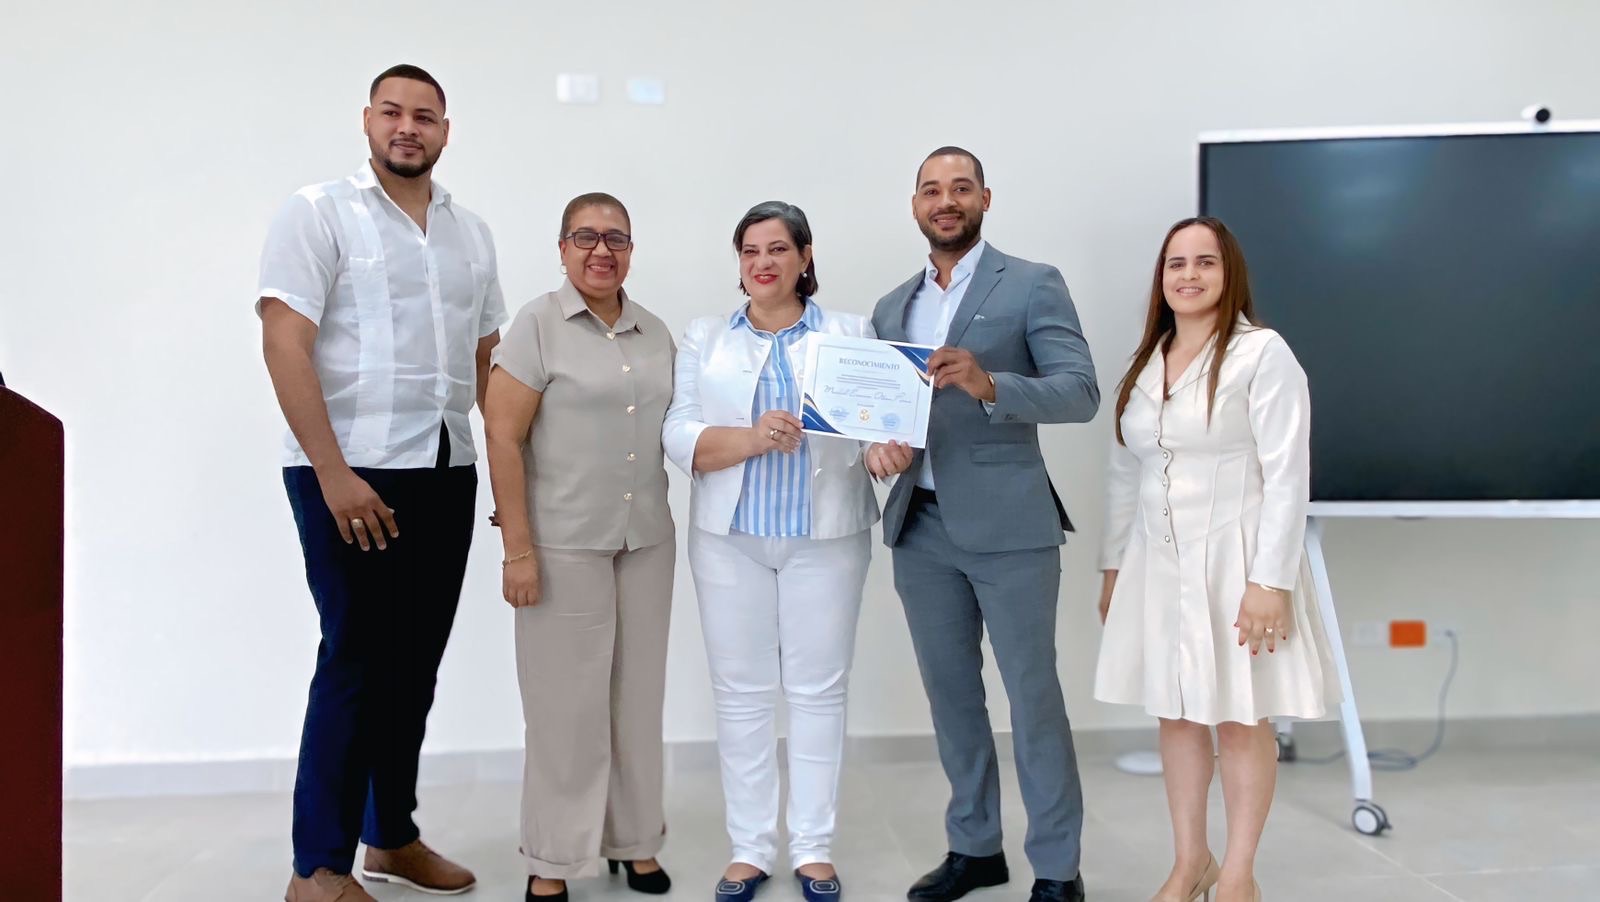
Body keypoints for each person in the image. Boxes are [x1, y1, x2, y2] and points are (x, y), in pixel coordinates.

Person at [259, 64, 501, 902]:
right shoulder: (318, 211)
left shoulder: (470, 233)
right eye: (393, 113)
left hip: (446, 467)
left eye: (425, 116)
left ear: (445, 129)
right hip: (350, 470)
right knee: (356, 661)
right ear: (367, 121)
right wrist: (333, 473)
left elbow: (486, 362)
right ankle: (317, 868)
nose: (409, 127)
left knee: (414, 667)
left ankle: (388, 836)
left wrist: (510, 475)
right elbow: (284, 343)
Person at [865, 148, 1099, 902]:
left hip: (1011, 529)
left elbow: (1080, 391)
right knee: (952, 698)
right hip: (920, 526)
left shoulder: (1032, 283)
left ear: (985, 199)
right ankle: (975, 848)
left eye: (960, 187)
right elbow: (878, 413)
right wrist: (878, 447)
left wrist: (990, 381)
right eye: (932, 190)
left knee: (1033, 698)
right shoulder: (892, 306)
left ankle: (1058, 869)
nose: (946, 200)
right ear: (915, 205)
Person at [1093, 216, 1341, 902]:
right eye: (1176, 263)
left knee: (1239, 714)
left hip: (1240, 559)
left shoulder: (1262, 354)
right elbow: (1124, 474)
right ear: (1161, 278)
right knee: (1175, 713)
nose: (1189, 275)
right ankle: (1189, 861)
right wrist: (1114, 569)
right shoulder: (1145, 364)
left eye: (1205, 262)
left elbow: (1289, 474)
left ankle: (1237, 874)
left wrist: (1270, 582)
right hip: (1159, 562)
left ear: (1229, 274)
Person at [663, 201, 879, 902]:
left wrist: (886, 447)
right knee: (743, 694)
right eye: (750, 250)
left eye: (778, 249)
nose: (763, 262)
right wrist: (754, 437)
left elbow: (874, 425)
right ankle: (750, 848)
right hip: (731, 540)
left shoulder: (851, 332)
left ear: (805, 257)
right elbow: (680, 433)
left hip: (827, 538)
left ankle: (814, 848)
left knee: (818, 691)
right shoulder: (706, 336)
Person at [483, 193, 677, 902]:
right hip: (561, 544)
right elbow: (502, 436)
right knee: (566, 707)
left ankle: (635, 842)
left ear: (631, 249)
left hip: (647, 541)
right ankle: (555, 856)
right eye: (586, 237)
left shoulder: (654, 332)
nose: (602, 250)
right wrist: (518, 552)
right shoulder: (537, 326)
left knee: (636, 697)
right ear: (562, 247)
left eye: (616, 238)